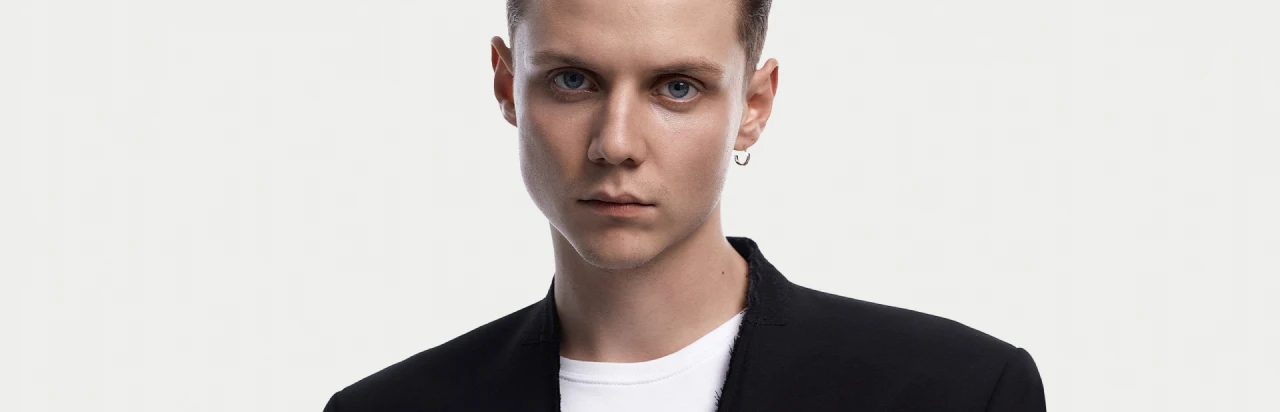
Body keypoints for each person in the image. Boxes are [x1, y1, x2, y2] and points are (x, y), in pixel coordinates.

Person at [322, 0, 1047, 410]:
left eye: (677, 88)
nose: (616, 143)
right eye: (572, 80)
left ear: (753, 106)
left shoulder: (956, 394)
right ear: (508, 86)